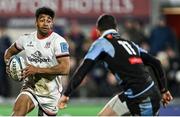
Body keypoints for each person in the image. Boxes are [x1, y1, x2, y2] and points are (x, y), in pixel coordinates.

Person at [58, 14, 173, 116]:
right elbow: (156, 62)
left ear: (98, 31)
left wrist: (66, 94)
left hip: (143, 99)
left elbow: (83, 70)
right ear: (116, 29)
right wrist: (164, 90)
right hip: (136, 94)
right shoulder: (130, 43)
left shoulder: (100, 43)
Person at [4, 7, 70, 116]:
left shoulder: (58, 41)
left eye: (48, 21)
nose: (45, 23)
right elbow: (9, 52)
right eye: (42, 20)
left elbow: (65, 68)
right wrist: (9, 64)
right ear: (36, 22)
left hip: (51, 92)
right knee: (17, 114)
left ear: (52, 24)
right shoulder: (26, 39)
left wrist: (37, 70)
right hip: (31, 86)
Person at [0, 19, 12, 99]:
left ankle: (4, 95)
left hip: (4, 61)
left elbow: (10, 50)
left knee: (4, 77)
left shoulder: (6, 38)